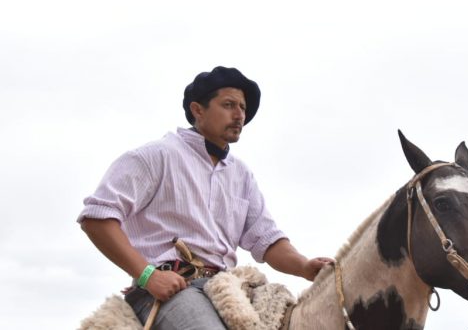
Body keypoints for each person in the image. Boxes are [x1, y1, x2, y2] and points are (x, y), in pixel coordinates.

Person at [78, 66, 333, 329]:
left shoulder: (241, 175)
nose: (239, 115)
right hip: (167, 287)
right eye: (229, 105)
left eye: (243, 108)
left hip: (227, 288)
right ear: (197, 110)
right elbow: (97, 218)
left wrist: (304, 266)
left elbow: (266, 240)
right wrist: (148, 276)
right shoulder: (155, 156)